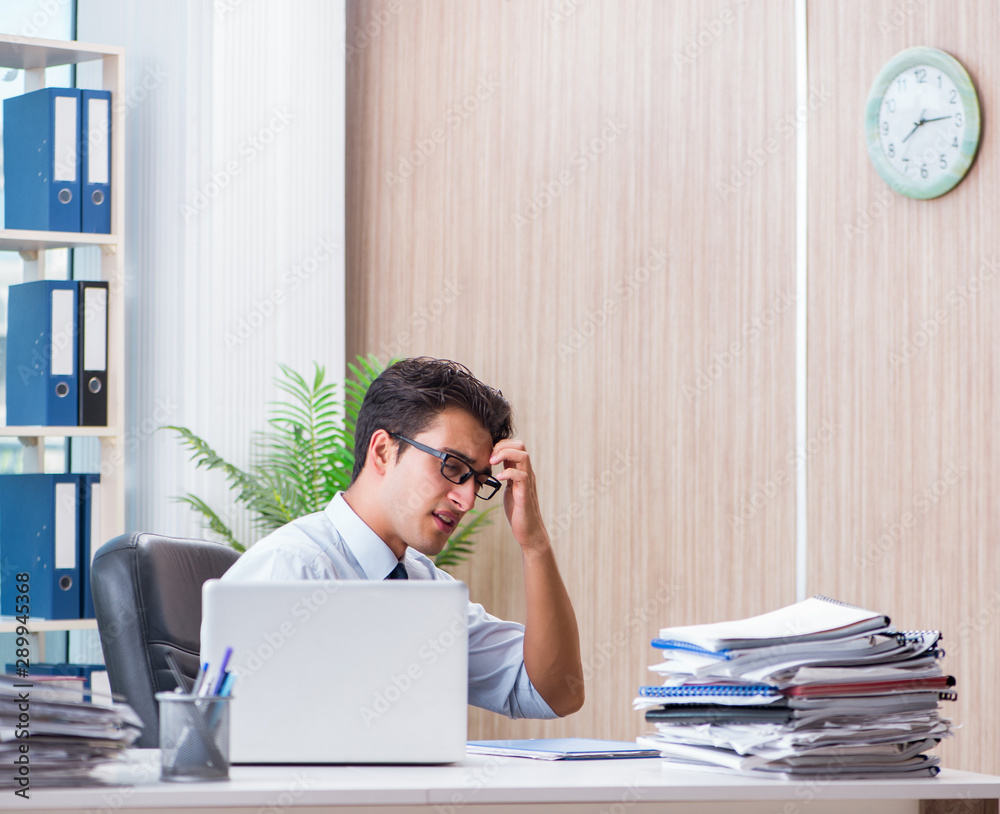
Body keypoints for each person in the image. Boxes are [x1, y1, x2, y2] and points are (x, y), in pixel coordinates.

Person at [218, 357, 585, 719]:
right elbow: (235, 736)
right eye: (452, 466)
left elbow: (557, 694)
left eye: (478, 481)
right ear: (382, 451)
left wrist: (534, 544)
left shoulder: (427, 589)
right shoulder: (290, 568)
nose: (467, 500)